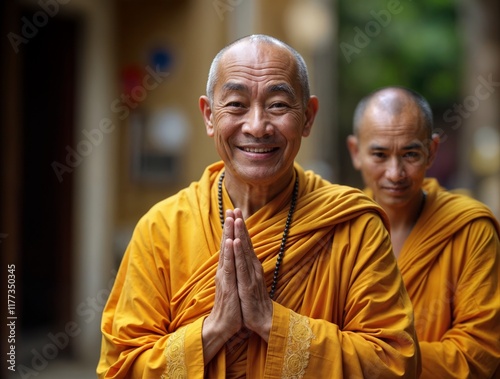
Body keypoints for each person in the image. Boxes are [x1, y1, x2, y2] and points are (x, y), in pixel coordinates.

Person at [97, 35, 421, 378]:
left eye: (278, 105)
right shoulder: (161, 229)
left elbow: (394, 363)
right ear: (209, 115)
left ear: (308, 117)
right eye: (236, 104)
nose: (256, 126)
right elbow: (120, 368)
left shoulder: (354, 227)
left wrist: (271, 321)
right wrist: (214, 329)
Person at [347, 86, 500, 378]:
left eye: (410, 154)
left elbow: (479, 352)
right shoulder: (341, 226)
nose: (395, 173)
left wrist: (373, 362)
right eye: (379, 154)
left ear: (432, 151)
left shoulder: (469, 230)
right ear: (356, 152)